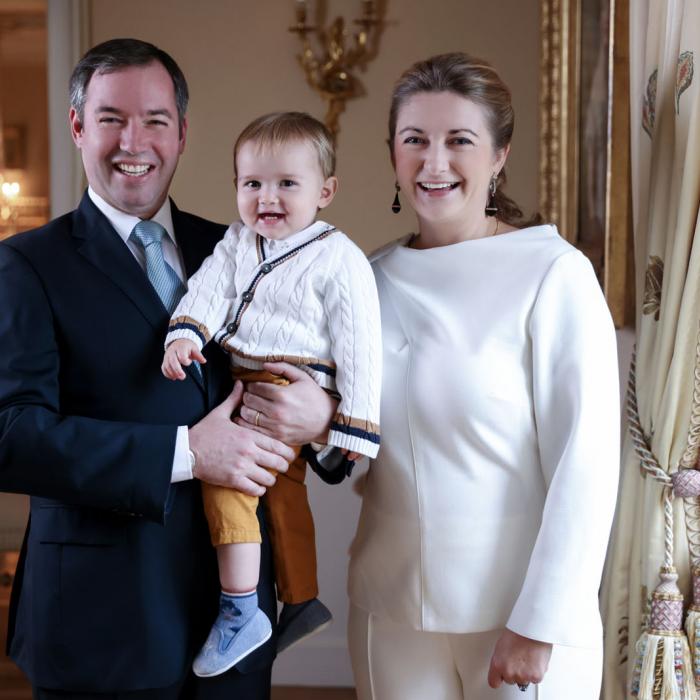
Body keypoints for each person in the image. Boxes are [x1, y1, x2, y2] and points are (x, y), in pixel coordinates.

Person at [250, 52, 621, 698]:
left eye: (460, 141)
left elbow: (585, 466)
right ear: (393, 152)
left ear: (500, 154)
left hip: (517, 615)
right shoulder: (365, 279)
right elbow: (353, 452)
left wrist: (542, 621)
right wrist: (319, 425)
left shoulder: (551, 274)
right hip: (390, 611)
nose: (434, 162)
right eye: (414, 140)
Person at [0, 38, 336, 700]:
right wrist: (186, 453)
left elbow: (307, 369)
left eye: (156, 120)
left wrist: (322, 416)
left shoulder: (245, 248)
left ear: (182, 133)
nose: (135, 141)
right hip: (99, 624)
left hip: (236, 616)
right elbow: (12, 437)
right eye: (111, 119)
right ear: (77, 127)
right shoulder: (26, 265)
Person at [161, 111, 381, 677]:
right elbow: (207, 288)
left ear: (325, 191)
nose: (267, 197)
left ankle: (240, 610)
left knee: (228, 481)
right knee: (281, 496)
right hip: (241, 375)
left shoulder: (339, 256)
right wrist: (186, 330)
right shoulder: (239, 241)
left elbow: (360, 343)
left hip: (292, 379)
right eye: (252, 183)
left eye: (288, 183)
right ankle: (302, 597)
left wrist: (353, 423)